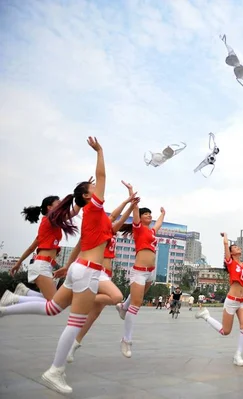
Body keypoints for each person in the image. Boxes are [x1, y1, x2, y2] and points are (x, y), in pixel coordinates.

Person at [0, 137, 112, 394]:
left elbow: (87, 198)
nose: (97, 188)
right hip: (87, 272)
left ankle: (8, 306)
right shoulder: (94, 208)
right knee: (74, 322)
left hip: (79, 269)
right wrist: (100, 152)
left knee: (52, 309)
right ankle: (55, 371)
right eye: (92, 188)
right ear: (87, 196)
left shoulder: (94, 214)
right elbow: (102, 175)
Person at [63, 188, 139, 363]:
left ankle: (74, 344)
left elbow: (117, 220)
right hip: (96, 270)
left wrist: (129, 204)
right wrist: (68, 266)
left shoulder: (109, 231)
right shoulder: (95, 230)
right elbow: (79, 246)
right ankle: (78, 299)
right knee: (114, 298)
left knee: (92, 315)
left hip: (106, 274)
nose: (107, 218)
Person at [3, 188, 91, 303]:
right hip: (41, 265)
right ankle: (19, 297)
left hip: (43, 265)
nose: (60, 205)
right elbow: (74, 212)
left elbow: (31, 248)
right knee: (55, 302)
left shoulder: (48, 226)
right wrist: (80, 195)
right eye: (58, 203)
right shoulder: (50, 219)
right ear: (49, 207)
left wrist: (18, 263)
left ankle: (25, 293)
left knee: (53, 302)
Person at [115, 199, 166, 358]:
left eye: (150, 214)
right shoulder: (138, 228)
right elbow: (135, 212)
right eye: (146, 214)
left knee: (138, 298)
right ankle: (126, 340)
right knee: (136, 306)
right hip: (139, 272)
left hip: (150, 272)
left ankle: (123, 306)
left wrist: (163, 214)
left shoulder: (151, 232)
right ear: (140, 217)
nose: (149, 216)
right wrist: (133, 199)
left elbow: (157, 224)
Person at [195, 232, 243, 367]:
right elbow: (226, 245)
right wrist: (225, 237)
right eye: (235, 248)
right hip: (232, 300)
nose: (238, 248)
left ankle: (238, 355)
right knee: (226, 331)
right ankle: (206, 316)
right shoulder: (230, 263)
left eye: (238, 247)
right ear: (231, 253)